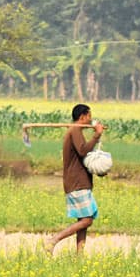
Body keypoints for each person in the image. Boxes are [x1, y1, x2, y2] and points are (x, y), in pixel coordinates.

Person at [44, 103, 105, 255]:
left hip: (78, 182)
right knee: (87, 220)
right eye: (89, 116)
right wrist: (96, 135)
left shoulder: (75, 131)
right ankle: (53, 240)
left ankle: (79, 258)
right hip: (77, 183)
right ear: (82, 116)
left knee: (82, 223)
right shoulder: (75, 130)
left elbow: (83, 154)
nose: (90, 120)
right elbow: (83, 150)